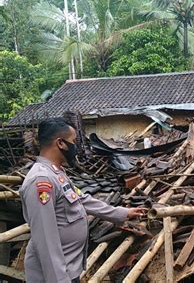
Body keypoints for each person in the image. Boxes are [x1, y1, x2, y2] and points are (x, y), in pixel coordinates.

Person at [19, 118, 147, 283]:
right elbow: (45, 241)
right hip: (54, 276)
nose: (76, 147)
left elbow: (82, 200)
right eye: (73, 141)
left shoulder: (57, 173)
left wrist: (122, 213)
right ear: (61, 143)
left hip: (69, 268)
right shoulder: (41, 181)